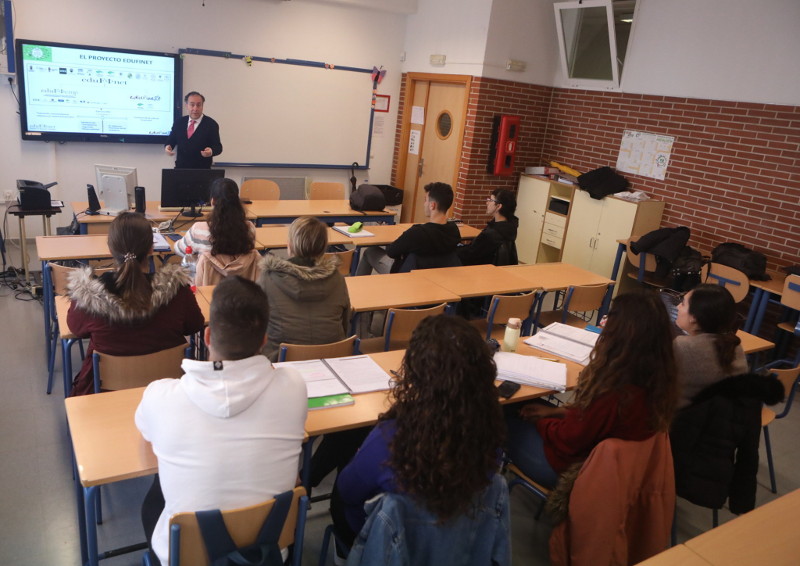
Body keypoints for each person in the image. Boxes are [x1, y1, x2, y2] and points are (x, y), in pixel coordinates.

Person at [135, 276, 307, 566]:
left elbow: (145, 436)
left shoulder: (161, 396)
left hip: (185, 557)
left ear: (208, 337)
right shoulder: (294, 386)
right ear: (264, 339)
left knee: (154, 496)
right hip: (267, 553)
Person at [331, 315, 506, 550]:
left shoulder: (390, 440)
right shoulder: (489, 433)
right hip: (458, 546)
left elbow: (348, 491)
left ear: (415, 371)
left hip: (387, 546)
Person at [506, 289, 678, 488]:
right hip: (612, 469)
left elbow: (568, 439)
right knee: (526, 404)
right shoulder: (658, 377)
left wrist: (542, 421)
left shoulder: (615, 391)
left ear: (619, 331)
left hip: (572, 470)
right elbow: (591, 420)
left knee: (498, 414)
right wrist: (556, 412)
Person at [66, 212, 204, 396]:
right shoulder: (178, 291)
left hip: (106, 394)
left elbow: (76, 328)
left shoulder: (89, 298)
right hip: (168, 391)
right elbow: (195, 324)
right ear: (151, 248)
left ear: (110, 249)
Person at [257, 216, 350, 362]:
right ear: (323, 246)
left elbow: (257, 326)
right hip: (332, 359)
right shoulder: (337, 278)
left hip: (282, 361)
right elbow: (345, 323)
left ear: (290, 245)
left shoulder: (268, 278)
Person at [355, 182, 461, 275]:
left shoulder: (418, 233)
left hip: (408, 274)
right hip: (439, 276)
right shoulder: (454, 230)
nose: (424, 204)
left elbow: (392, 252)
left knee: (369, 251)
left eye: (425, 200)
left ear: (432, 205)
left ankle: (356, 291)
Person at [674, 284, 747, 408]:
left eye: (683, 303)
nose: (677, 307)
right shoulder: (735, 345)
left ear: (694, 317)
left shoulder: (683, 346)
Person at [175, 177, 256, 258]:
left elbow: (179, 250)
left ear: (212, 201)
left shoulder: (198, 229)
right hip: (239, 271)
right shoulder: (249, 228)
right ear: (237, 200)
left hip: (206, 271)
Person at [457, 189, 519, 266]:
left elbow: (469, 253)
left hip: (476, 269)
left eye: (490, 200)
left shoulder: (491, 235)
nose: (487, 203)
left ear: (498, 206)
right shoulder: (509, 229)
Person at [165, 91, 222, 169]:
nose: (195, 108)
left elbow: (218, 147)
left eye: (198, 105)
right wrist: (168, 147)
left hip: (202, 171)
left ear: (202, 106)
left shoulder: (211, 124)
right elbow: (171, 140)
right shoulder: (179, 122)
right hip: (180, 170)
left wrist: (211, 151)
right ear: (186, 105)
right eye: (192, 105)